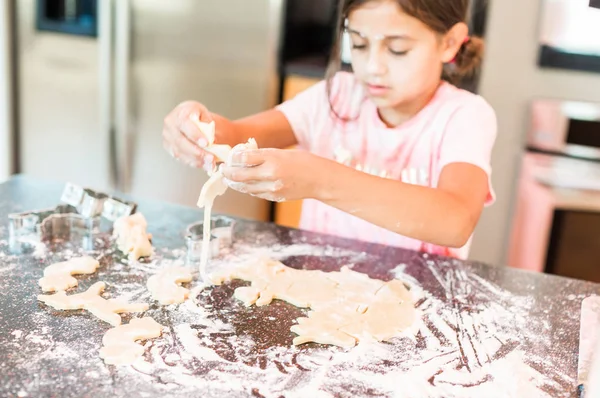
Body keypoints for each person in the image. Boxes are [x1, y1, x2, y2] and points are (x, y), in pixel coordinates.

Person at [162, 0, 497, 259]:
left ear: (449, 42)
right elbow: (234, 136)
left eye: (398, 49)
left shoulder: (463, 116)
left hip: (418, 303)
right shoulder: (336, 95)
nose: (373, 67)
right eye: (360, 44)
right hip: (323, 289)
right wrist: (198, 129)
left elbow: (455, 222)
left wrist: (321, 179)